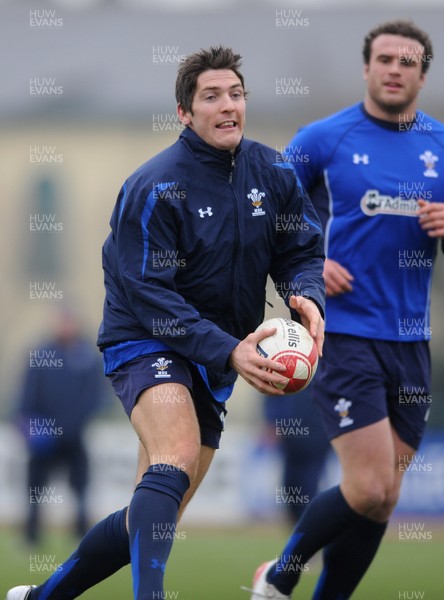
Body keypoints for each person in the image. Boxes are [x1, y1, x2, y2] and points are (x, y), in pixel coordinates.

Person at [7, 46, 325, 600]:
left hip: (216, 353)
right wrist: (229, 350)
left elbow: (300, 251)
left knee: (152, 514)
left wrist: (307, 296)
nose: (228, 106)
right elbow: (149, 293)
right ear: (184, 112)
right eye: (211, 97)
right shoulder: (153, 186)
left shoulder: (274, 173)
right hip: (145, 336)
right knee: (174, 455)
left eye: (236, 94)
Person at [249, 19, 444, 599]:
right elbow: (264, 212)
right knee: (370, 483)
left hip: (412, 342)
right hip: (345, 334)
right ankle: (279, 575)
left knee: (384, 498)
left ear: (422, 75)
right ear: (367, 68)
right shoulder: (325, 139)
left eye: (408, 62)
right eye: (385, 59)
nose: (395, 70)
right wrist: (306, 266)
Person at [15, 308, 106, 545]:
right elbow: (27, 393)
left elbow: (95, 397)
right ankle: (32, 533)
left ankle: (81, 532)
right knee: (36, 486)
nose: (65, 327)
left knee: (80, 484)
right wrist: (28, 422)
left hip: (74, 434)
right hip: (43, 435)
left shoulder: (86, 356)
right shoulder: (41, 353)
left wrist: (73, 424)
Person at [262, 389, 330, 524]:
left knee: (308, 486)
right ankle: (298, 528)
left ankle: (308, 528)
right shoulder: (285, 368)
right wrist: (271, 421)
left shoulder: (328, 370)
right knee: (290, 485)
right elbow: (271, 392)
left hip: (318, 435)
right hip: (289, 437)